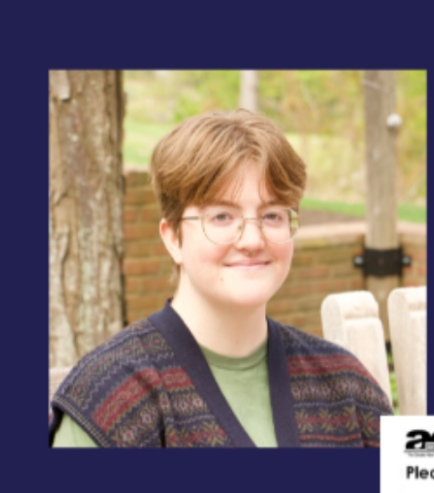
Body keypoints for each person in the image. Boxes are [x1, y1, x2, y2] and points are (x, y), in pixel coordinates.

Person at [50, 110, 390, 448]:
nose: (252, 240)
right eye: (221, 216)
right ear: (173, 238)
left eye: (272, 215)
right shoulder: (111, 400)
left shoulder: (345, 384)